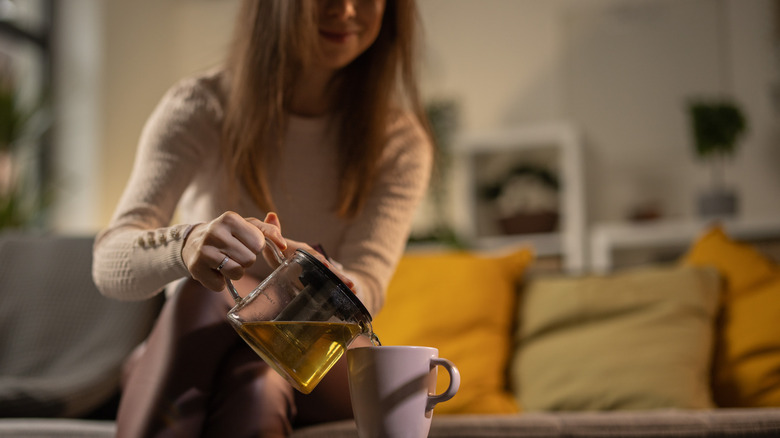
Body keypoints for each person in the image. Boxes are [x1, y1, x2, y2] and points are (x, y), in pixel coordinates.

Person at [91, 0, 433, 436]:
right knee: (256, 380)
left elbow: (369, 282)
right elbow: (108, 262)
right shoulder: (201, 106)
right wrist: (186, 243)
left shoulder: (398, 142)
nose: (346, 10)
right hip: (205, 341)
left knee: (211, 297)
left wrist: (326, 281)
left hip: (322, 354)